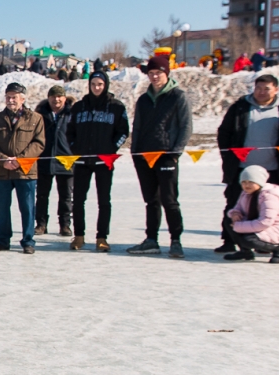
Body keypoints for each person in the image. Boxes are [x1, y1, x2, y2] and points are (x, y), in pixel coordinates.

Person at [214, 73, 279, 255]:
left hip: (272, 168)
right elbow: (224, 132)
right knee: (234, 205)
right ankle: (229, 240)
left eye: (266, 89)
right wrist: (230, 157)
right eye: (258, 88)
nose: (261, 92)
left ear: (276, 90)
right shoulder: (241, 107)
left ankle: (264, 241)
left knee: (268, 208)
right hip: (242, 168)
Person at [127, 54, 191, 258]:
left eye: (158, 73)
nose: (154, 77)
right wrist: (135, 151)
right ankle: (151, 239)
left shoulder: (177, 96)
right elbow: (136, 127)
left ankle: (175, 240)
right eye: (151, 73)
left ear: (166, 74)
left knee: (169, 199)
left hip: (166, 155)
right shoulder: (144, 100)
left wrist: (175, 152)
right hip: (144, 155)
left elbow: (186, 126)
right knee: (151, 200)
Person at [65, 72, 129, 251]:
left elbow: (123, 132)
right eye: (93, 84)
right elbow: (69, 131)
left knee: (104, 200)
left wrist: (111, 149)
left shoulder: (116, 107)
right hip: (82, 160)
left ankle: (102, 237)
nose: (97, 87)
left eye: (100, 84)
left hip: (104, 161)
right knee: (78, 200)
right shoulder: (79, 107)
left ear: (106, 85)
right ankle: (78, 236)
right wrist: (74, 148)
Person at [0, 82, 45, 253]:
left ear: (22, 99)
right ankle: (3, 240)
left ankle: (28, 241)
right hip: (2, 171)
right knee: (2, 208)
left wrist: (20, 160)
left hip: (25, 171)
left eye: (14, 97)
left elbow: (39, 144)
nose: (11, 100)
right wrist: (3, 160)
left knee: (27, 208)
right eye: (8, 97)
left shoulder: (35, 119)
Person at [223, 165, 279, 263]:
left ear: (259, 182)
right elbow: (237, 209)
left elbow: (265, 222)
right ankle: (245, 251)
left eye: (251, 182)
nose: (247, 185)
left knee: (248, 239)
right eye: (244, 182)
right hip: (254, 224)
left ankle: (278, 249)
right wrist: (234, 214)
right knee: (229, 221)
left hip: (275, 228)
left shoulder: (269, 196)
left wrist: (239, 226)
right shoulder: (245, 193)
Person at [34, 85, 74, 237]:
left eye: (59, 97)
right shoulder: (40, 114)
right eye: (53, 97)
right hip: (45, 159)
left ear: (64, 98)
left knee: (66, 196)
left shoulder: (71, 114)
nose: (56, 100)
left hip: (66, 160)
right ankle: (41, 224)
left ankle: (65, 225)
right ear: (48, 98)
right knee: (42, 195)